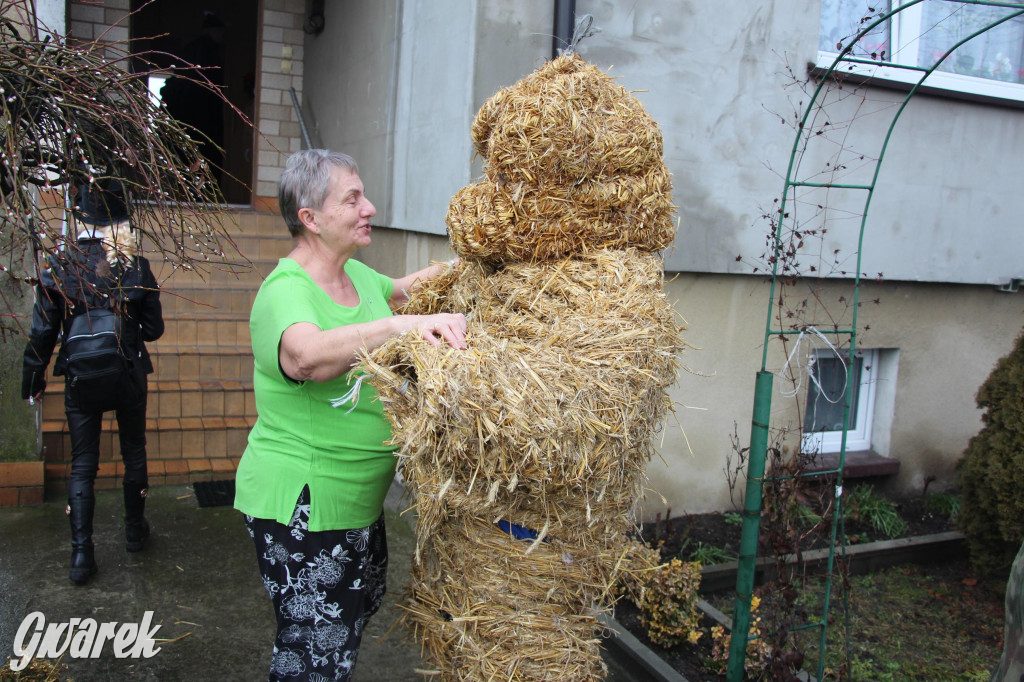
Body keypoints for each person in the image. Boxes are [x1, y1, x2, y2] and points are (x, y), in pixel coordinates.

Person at [233, 149, 466, 682]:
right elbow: (306, 357)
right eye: (352, 199)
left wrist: (479, 259)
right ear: (310, 218)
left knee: (343, 630)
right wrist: (401, 327)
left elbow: (407, 288)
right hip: (305, 507)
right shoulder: (284, 291)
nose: (370, 208)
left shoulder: (356, 275)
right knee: (314, 658)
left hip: (355, 503)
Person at [22, 179, 164, 585]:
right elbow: (153, 330)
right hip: (129, 372)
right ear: (122, 220)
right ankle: (134, 532)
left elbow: (42, 333)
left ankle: (82, 555)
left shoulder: (60, 266)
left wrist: (33, 381)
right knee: (133, 451)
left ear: (79, 217)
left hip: (80, 379)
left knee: (83, 462)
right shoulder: (134, 266)